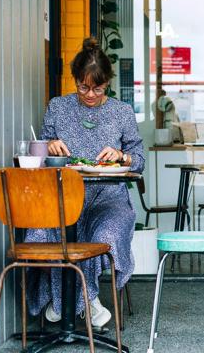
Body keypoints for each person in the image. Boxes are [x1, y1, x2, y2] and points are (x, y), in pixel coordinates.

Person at [25, 37, 145, 327]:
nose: (90, 94)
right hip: (63, 196)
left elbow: (139, 157)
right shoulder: (57, 107)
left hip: (108, 197)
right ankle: (85, 301)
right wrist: (49, 144)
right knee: (42, 233)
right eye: (83, 87)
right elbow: (39, 152)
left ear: (108, 83)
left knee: (106, 233)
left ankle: (67, 301)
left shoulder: (122, 112)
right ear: (75, 80)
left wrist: (123, 156)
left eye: (98, 88)